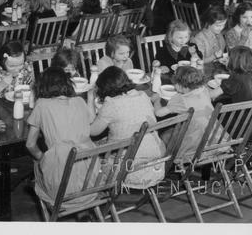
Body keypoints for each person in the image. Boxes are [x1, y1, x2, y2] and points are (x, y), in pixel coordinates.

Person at [25, 67, 98, 211]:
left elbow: (30, 144)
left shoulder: (42, 105)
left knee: (35, 162)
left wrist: (42, 157)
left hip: (60, 193)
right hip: (91, 183)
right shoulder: (79, 101)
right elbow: (91, 118)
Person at [90, 66, 166, 189]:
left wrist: (90, 98)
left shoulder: (111, 104)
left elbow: (93, 131)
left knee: (89, 151)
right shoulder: (142, 95)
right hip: (156, 167)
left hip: (130, 172)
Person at [153, 66, 226, 163]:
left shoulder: (180, 99)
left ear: (179, 85)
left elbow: (158, 113)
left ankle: (167, 166)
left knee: (164, 135)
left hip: (193, 148)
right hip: (217, 141)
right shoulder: (203, 89)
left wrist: (156, 100)